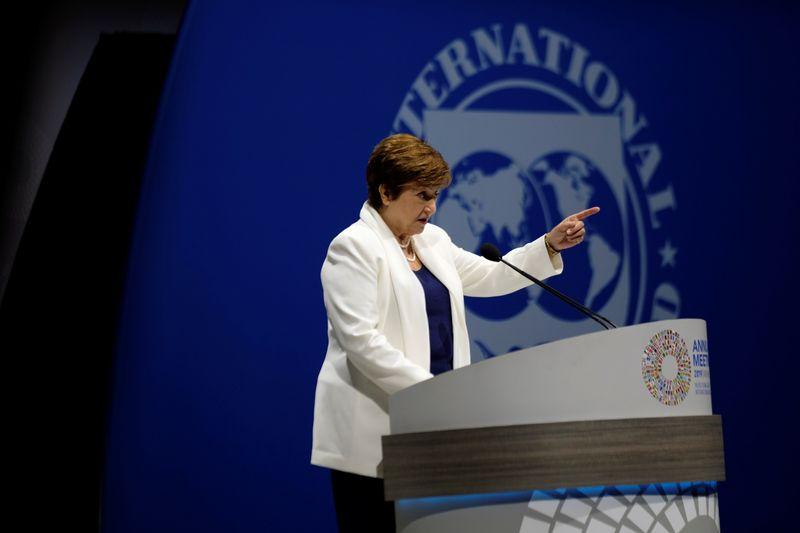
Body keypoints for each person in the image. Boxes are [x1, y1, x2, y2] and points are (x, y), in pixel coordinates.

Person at [311, 133, 599, 532]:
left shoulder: (432, 241)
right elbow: (361, 342)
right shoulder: (353, 247)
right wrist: (431, 393)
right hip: (375, 437)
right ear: (386, 192)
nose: (432, 206)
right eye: (422, 194)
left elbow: (493, 275)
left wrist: (548, 245)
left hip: (433, 431)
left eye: (436, 195)